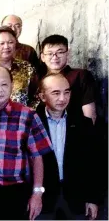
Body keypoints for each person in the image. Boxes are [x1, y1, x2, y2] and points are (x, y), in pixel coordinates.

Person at [0, 66, 52, 220]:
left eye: (4, 84)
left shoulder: (28, 115)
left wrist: (37, 193)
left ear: (12, 85)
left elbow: (37, 157)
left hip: (15, 194)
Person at [36, 73, 100, 220]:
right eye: (56, 93)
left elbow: (94, 163)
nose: (62, 98)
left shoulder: (83, 123)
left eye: (67, 92)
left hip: (77, 199)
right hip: (43, 199)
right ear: (42, 96)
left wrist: (93, 198)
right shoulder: (32, 122)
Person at [38, 34, 97, 122]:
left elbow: (89, 113)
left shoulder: (81, 75)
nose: (55, 57)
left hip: (74, 131)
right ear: (43, 57)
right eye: (50, 53)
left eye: (60, 52)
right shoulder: (38, 79)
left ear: (67, 54)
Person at [0, 26, 38, 106]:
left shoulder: (27, 68)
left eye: (10, 42)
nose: (6, 47)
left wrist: (28, 114)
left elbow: (36, 96)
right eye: (2, 43)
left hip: (21, 116)